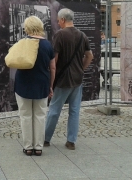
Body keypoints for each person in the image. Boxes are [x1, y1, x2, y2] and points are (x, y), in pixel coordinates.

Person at [44, 8, 93, 150]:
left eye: (59, 20)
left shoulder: (59, 35)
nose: (58, 23)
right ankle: (71, 141)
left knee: (54, 110)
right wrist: (81, 69)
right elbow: (89, 56)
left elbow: (55, 59)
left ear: (63, 20)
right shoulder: (82, 35)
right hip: (77, 80)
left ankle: (46, 139)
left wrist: (51, 80)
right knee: (74, 111)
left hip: (62, 79)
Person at [14, 16, 55, 156]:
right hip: (42, 83)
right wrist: (51, 86)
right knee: (40, 115)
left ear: (27, 27)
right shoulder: (48, 45)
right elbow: (53, 68)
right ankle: (38, 147)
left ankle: (28, 146)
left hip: (23, 83)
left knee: (25, 115)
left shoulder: (22, 43)